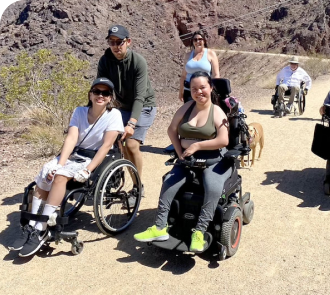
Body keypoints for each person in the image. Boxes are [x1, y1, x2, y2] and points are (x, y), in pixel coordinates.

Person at [8, 78, 124, 257]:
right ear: (90, 94)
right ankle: (32, 226)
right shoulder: (79, 111)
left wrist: (88, 170)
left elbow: (106, 146)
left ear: (110, 98)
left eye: (105, 93)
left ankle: (42, 227)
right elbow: (71, 139)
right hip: (74, 155)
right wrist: (59, 163)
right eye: (97, 91)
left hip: (92, 159)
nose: (100, 95)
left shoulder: (114, 115)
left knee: (61, 176)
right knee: (47, 171)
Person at [134, 71, 230, 252]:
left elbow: (223, 140)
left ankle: (199, 233)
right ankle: (160, 228)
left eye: (202, 87)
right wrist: (180, 152)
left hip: (212, 160)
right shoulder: (186, 108)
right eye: (194, 89)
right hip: (187, 159)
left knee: (213, 187)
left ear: (210, 87)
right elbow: (171, 130)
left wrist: (197, 146)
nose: (198, 92)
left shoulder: (217, 112)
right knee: (169, 183)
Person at [97, 24, 157, 192]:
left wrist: (131, 124)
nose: (116, 46)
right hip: (123, 106)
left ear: (128, 42)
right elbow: (101, 88)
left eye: (119, 42)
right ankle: (123, 177)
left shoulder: (138, 62)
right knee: (118, 144)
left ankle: (138, 187)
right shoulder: (105, 61)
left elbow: (140, 96)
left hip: (144, 105)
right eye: (112, 42)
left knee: (131, 144)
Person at [179, 31, 220, 103]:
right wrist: (180, 92)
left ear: (204, 40)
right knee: (190, 113)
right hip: (189, 91)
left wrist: (214, 90)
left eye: (200, 39)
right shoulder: (188, 55)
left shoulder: (210, 54)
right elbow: (183, 76)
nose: (197, 41)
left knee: (205, 113)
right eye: (195, 40)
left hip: (204, 91)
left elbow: (216, 74)